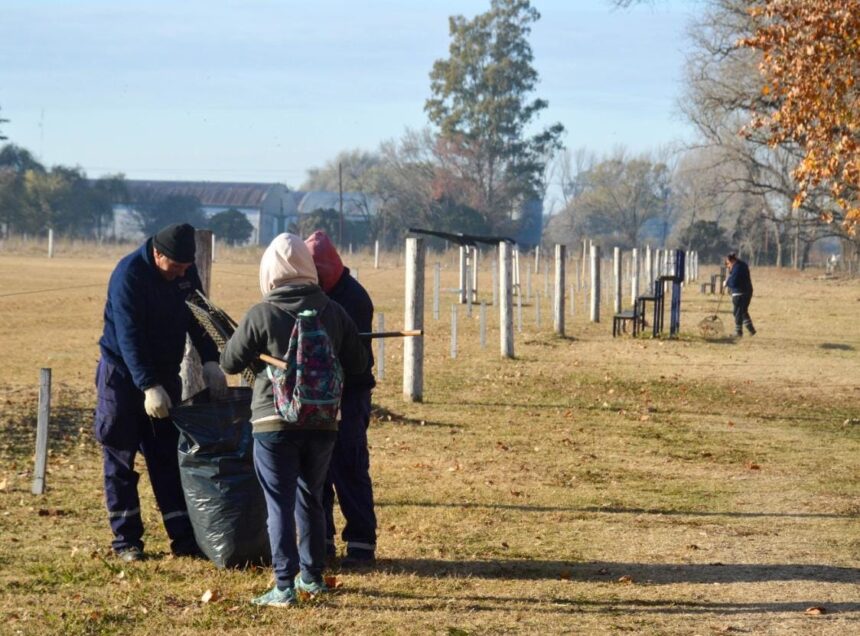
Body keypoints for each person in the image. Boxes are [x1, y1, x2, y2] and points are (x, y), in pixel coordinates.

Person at [220, 233, 367, 608]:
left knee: (278, 504)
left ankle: (283, 586)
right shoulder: (334, 312)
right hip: (322, 422)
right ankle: (312, 576)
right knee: (311, 499)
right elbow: (358, 365)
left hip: (273, 423)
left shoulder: (261, 313)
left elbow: (229, 362)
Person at [95, 222, 228, 563]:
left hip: (166, 376)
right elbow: (129, 336)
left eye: (188, 267)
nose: (183, 273)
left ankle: (182, 537)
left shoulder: (185, 271)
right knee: (120, 458)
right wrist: (147, 385)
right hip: (123, 378)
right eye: (178, 267)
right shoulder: (129, 275)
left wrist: (211, 360)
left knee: (167, 457)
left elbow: (199, 316)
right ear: (158, 254)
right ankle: (127, 541)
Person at [305, 230, 377, 567]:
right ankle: (322, 540)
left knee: (349, 465)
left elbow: (351, 358)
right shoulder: (307, 293)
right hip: (315, 396)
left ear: (331, 269)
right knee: (315, 468)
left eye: (318, 275)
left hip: (350, 392)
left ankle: (361, 544)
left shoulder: (355, 298)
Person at [724, 252, 756, 337]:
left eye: (727, 264)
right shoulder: (743, 265)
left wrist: (727, 283)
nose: (727, 266)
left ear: (731, 261)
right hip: (748, 291)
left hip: (739, 293)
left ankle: (738, 332)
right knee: (743, 311)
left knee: (737, 312)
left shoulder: (737, 268)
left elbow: (734, 282)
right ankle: (751, 329)